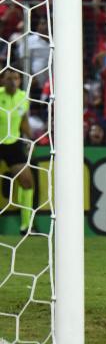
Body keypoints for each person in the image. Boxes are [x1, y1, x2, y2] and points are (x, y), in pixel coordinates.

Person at [0, 70, 35, 235]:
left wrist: (31, 138)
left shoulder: (23, 97)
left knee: (27, 182)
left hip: (13, 144)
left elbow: (24, 121)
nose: (12, 81)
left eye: (16, 78)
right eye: (9, 79)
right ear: (2, 80)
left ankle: (26, 226)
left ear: (20, 80)